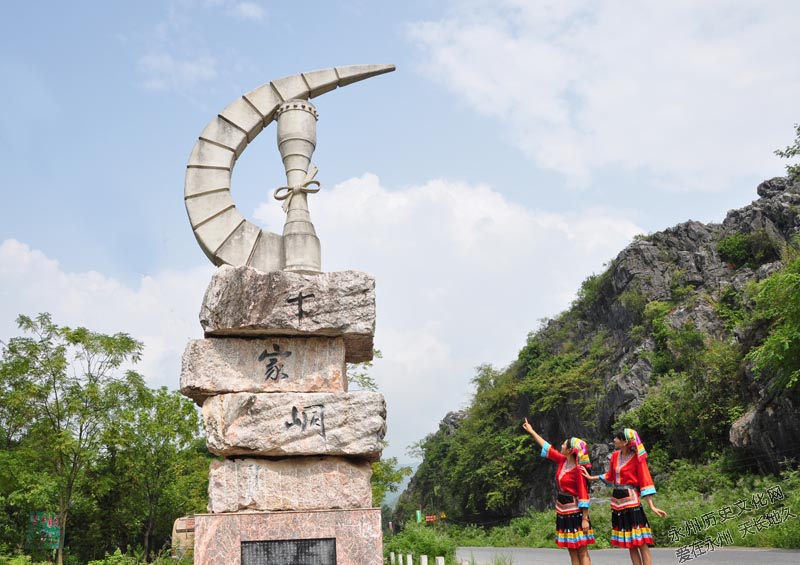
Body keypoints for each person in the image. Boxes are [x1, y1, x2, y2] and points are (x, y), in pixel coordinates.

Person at [582, 429, 667, 565]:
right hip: (617, 501)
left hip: (631, 499)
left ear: (625, 442)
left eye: (616, 438)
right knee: (630, 542)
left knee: (641, 541)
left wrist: (652, 506)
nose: (614, 440)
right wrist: (591, 477)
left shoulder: (637, 458)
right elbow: (610, 476)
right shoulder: (615, 456)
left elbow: (645, 480)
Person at [522, 418, 594, 565]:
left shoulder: (579, 470)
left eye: (564, 444)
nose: (561, 445)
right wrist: (532, 432)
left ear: (569, 450)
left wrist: (585, 518)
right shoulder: (563, 461)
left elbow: (583, 493)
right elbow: (548, 448)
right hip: (563, 510)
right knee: (571, 550)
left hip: (576, 512)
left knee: (582, 550)